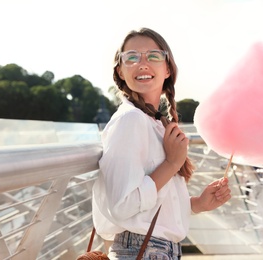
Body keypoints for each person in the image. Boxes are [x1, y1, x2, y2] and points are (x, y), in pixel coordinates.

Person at [92, 27, 231, 259]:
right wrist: (172, 163)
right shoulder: (130, 119)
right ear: (121, 71)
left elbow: (152, 205)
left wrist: (197, 204)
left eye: (153, 56)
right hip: (141, 250)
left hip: (157, 250)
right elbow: (123, 206)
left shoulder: (156, 124)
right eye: (132, 57)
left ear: (167, 69)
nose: (142, 63)